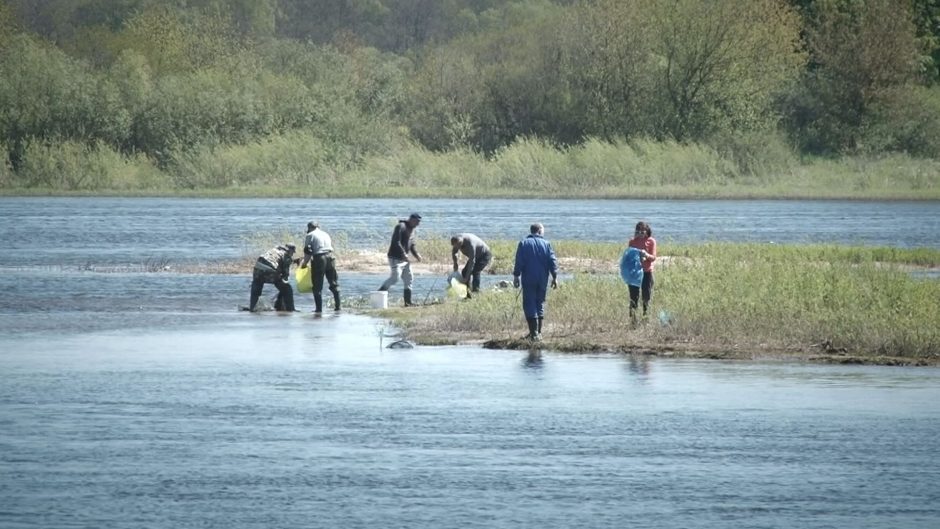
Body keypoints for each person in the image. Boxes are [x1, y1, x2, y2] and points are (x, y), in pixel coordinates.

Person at [512, 223, 558, 341]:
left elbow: (519, 261)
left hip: (528, 278)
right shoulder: (546, 244)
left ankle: (534, 334)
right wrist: (555, 277)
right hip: (542, 278)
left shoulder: (523, 243)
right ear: (539, 231)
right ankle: (538, 333)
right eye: (543, 230)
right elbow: (552, 261)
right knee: (540, 303)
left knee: (529, 303)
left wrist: (516, 276)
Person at [378, 213, 423, 306]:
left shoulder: (412, 230)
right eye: (417, 222)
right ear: (411, 219)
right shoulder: (400, 226)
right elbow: (396, 242)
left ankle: (408, 303)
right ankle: (379, 295)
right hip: (395, 257)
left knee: (409, 279)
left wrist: (416, 255)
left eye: (419, 222)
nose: (418, 224)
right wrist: (403, 254)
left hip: (405, 259)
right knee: (395, 278)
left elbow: (411, 245)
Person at [299, 220, 340, 313]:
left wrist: (304, 264)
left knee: (317, 286)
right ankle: (338, 307)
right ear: (318, 226)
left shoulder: (310, 235)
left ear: (309, 228)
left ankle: (318, 309)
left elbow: (308, 251)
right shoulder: (325, 234)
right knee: (333, 283)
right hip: (331, 258)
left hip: (319, 259)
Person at [249, 243, 296, 312]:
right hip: (270, 269)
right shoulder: (286, 255)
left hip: (258, 267)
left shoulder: (274, 250)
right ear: (291, 251)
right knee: (287, 289)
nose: (292, 254)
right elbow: (285, 276)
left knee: (257, 285)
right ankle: (290, 309)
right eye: (293, 253)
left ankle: (252, 307)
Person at [627, 221, 657, 322]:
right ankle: (633, 320)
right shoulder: (632, 241)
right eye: (638, 231)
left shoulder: (651, 241)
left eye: (642, 232)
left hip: (646, 272)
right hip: (634, 272)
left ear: (647, 231)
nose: (640, 234)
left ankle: (645, 318)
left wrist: (646, 255)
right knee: (633, 297)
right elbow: (629, 256)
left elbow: (653, 257)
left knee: (646, 297)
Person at [450, 233, 492, 298]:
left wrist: (466, 277)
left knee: (475, 271)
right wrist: (455, 263)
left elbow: (472, 262)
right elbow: (454, 252)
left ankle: (476, 293)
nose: (457, 248)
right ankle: (467, 294)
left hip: (484, 255)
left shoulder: (471, 243)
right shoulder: (456, 241)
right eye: (455, 246)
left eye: (458, 246)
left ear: (460, 242)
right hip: (475, 256)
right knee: (464, 272)